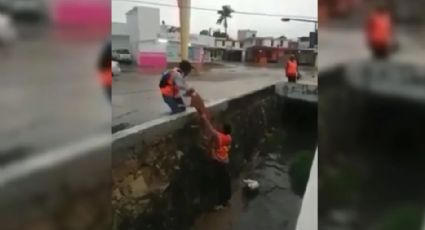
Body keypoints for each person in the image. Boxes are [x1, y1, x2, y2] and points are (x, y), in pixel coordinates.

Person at [201, 113, 232, 210]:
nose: (219, 126)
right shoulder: (229, 138)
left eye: (221, 126)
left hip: (218, 163)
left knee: (219, 183)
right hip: (225, 162)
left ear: (223, 130)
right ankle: (226, 200)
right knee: (225, 182)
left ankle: (221, 203)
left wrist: (205, 118)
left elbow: (211, 129)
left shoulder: (219, 137)